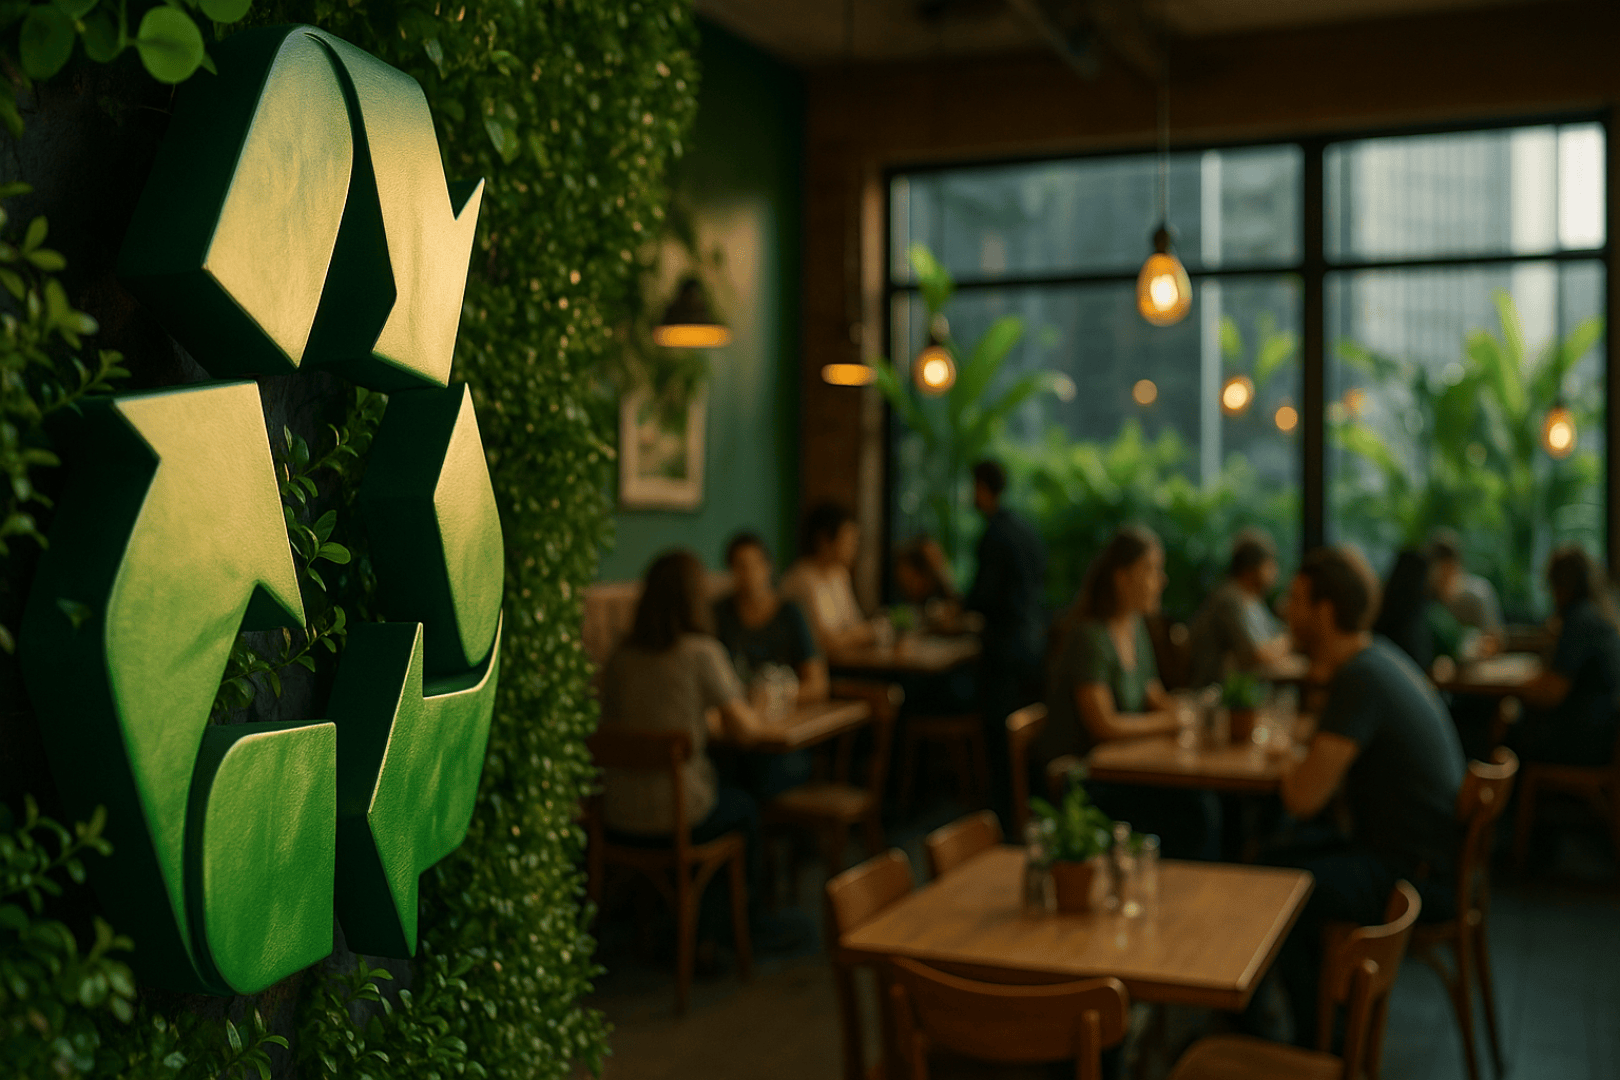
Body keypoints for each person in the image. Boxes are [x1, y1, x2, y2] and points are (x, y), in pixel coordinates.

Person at [1263, 545, 1465, 1047]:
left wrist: (1285, 753)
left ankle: (1319, 1048)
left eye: (1296, 600)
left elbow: (1303, 799)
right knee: (1272, 860)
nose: (1286, 611)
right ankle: (1299, 1032)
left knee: (1274, 888)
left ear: (1325, 611)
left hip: (1414, 876)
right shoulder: (1376, 660)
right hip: (1434, 860)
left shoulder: (1360, 679)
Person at [598, 550, 803, 954]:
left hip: (617, 814)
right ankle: (726, 932)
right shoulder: (700, 653)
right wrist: (758, 708)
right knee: (744, 807)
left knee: (722, 788)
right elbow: (745, 734)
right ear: (695, 599)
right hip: (680, 817)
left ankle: (671, 923)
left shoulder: (620, 657)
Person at [1038, 525, 1218, 860]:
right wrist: (1173, 722)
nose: (1161, 580)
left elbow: (1154, 697)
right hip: (1084, 782)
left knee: (1204, 802)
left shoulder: (1134, 626)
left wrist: (1193, 707)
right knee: (1197, 811)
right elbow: (1104, 726)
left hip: (1122, 771)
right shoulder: (1090, 636)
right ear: (1122, 577)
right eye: (1151, 570)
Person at [962, 460, 1049, 821]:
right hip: (1033, 644)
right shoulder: (1025, 530)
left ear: (982, 487)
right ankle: (1026, 809)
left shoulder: (994, 535)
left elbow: (983, 596)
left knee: (1000, 738)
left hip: (1004, 650)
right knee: (1024, 739)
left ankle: (1003, 817)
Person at [714, 532, 827, 800]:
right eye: (740, 566)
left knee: (761, 776)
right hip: (733, 738)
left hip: (782, 742)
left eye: (755, 565)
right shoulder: (719, 614)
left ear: (768, 567)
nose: (749, 573)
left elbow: (818, 685)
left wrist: (774, 696)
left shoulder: (790, 614)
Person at [1511, 546, 1620, 767]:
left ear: (1559, 584)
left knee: (1503, 727)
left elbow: (1553, 692)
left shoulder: (1579, 621)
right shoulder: (1596, 615)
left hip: (1583, 742)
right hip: (1602, 735)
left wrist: (1517, 689)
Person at [1186, 529, 1290, 687]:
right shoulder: (1230, 599)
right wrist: (1293, 636)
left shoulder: (1253, 600)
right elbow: (1256, 655)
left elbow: (1275, 639)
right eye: (1270, 564)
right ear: (1251, 569)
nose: (1275, 570)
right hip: (1216, 693)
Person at [780, 503, 877, 655]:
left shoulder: (839, 574)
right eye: (848, 540)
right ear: (824, 541)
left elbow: (857, 626)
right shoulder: (802, 579)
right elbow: (824, 643)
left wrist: (860, 633)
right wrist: (863, 633)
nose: (854, 547)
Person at [1428, 529, 1504, 640]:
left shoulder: (1478, 594)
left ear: (1457, 567)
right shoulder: (1427, 598)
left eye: (1446, 573)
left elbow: (1495, 638)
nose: (1440, 580)